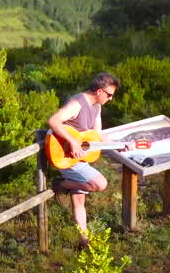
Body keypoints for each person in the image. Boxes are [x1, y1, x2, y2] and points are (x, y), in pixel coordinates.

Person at [46, 72, 125, 248]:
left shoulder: (96, 107)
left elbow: (97, 135)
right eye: (109, 95)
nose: (111, 99)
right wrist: (72, 141)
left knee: (80, 200)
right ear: (99, 91)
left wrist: (118, 145)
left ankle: (83, 240)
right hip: (65, 156)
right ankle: (61, 184)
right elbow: (53, 120)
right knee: (100, 184)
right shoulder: (77, 103)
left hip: (80, 157)